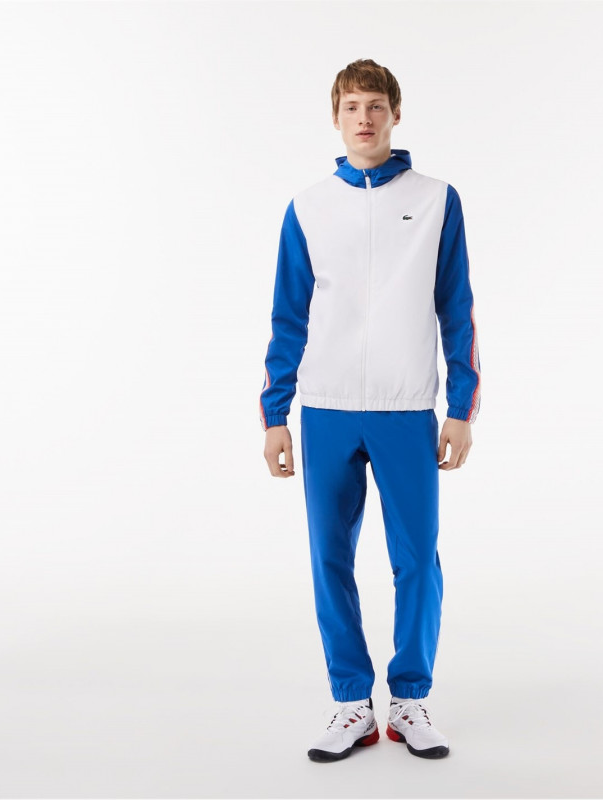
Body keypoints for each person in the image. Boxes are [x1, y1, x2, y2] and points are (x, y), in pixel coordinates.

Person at [259, 58, 481, 762]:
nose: (364, 117)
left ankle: (410, 699)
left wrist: (461, 406)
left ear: (395, 114)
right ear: (335, 117)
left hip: (405, 407)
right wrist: (274, 414)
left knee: (417, 559)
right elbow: (288, 316)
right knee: (330, 557)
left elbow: (457, 308)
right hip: (325, 409)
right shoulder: (308, 207)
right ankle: (351, 702)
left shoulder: (437, 200)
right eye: (352, 106)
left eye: (376, 105)